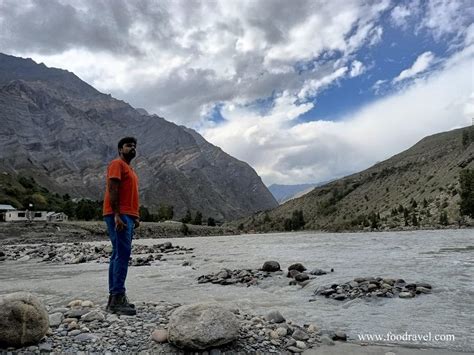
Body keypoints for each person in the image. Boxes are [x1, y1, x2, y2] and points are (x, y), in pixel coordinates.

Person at [103, 137, 140, 315]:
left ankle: (115, 299)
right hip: (119, 215)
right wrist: (117, 214)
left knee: (117, 254)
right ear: (120, 149)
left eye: (134, 146)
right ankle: (117, 297)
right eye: (128, 146)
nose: (132, 148)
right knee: (122, 255)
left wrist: (136, 217)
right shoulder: (117, 164)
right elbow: (113, 188)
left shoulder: (129, 168)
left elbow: (130, 194)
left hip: (127, 215)